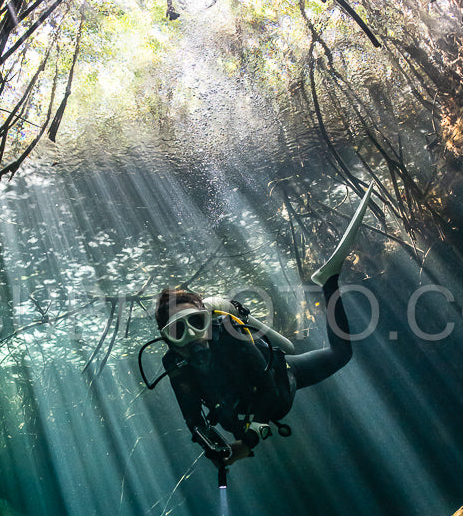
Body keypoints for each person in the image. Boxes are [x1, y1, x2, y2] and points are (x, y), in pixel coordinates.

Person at [151, 185, 374, 476]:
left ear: (208, 318)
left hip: (283, 379)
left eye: (196, 322)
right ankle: (328, 281)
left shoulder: (228, 331)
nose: (192, 337)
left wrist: (246, 442)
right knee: (331, 354)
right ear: (167, 340)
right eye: (178, 331)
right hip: (251, 409)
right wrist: (214, 450)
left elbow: (269, 390)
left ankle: (329, 282)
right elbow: (194, 420)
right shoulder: (175, 364)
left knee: (341, 353)